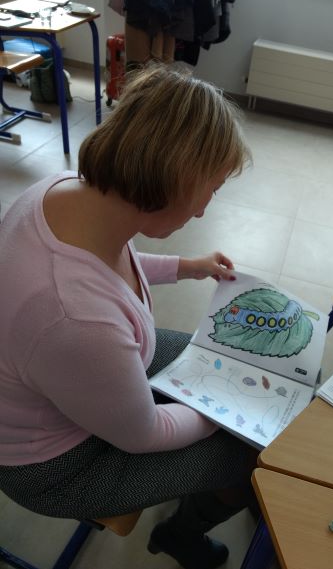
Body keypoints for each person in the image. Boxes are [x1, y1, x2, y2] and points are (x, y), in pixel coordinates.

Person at [0, 65, 256, 569]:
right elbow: (143, 434)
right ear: (178, 184)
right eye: (212, 188)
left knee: (226, 364)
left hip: (82, 378)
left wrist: (187, 266)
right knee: (245, 449)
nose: (204, 210)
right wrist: (218, 408)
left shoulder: (65, 191)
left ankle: (211, 483)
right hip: (54, 466)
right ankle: (182, 534)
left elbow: (113, 264)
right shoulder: (78, 320)